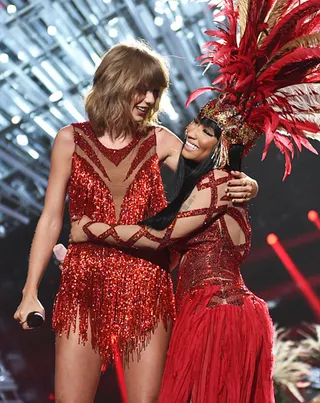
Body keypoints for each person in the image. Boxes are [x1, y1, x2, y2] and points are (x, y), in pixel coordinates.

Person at [68, 0, 320, 399]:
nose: (192, 132)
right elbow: (162, 252)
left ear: (223, 148)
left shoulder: (219, 183)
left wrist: (91, 228)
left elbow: (160, 236)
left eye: (206, 131)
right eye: (197, 122)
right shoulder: (215, 187)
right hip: (210, 312)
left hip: (219, 313)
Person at [13, 40, 258, 403]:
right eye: (141, 88)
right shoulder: (70, 140)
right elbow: (51, 218)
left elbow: (212, 173)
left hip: (147, 282)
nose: (148, 99)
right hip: (83, 282)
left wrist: (247, 181)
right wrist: (29, 291)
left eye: (155, 91)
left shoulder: (160, 140)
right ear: (115, 83)